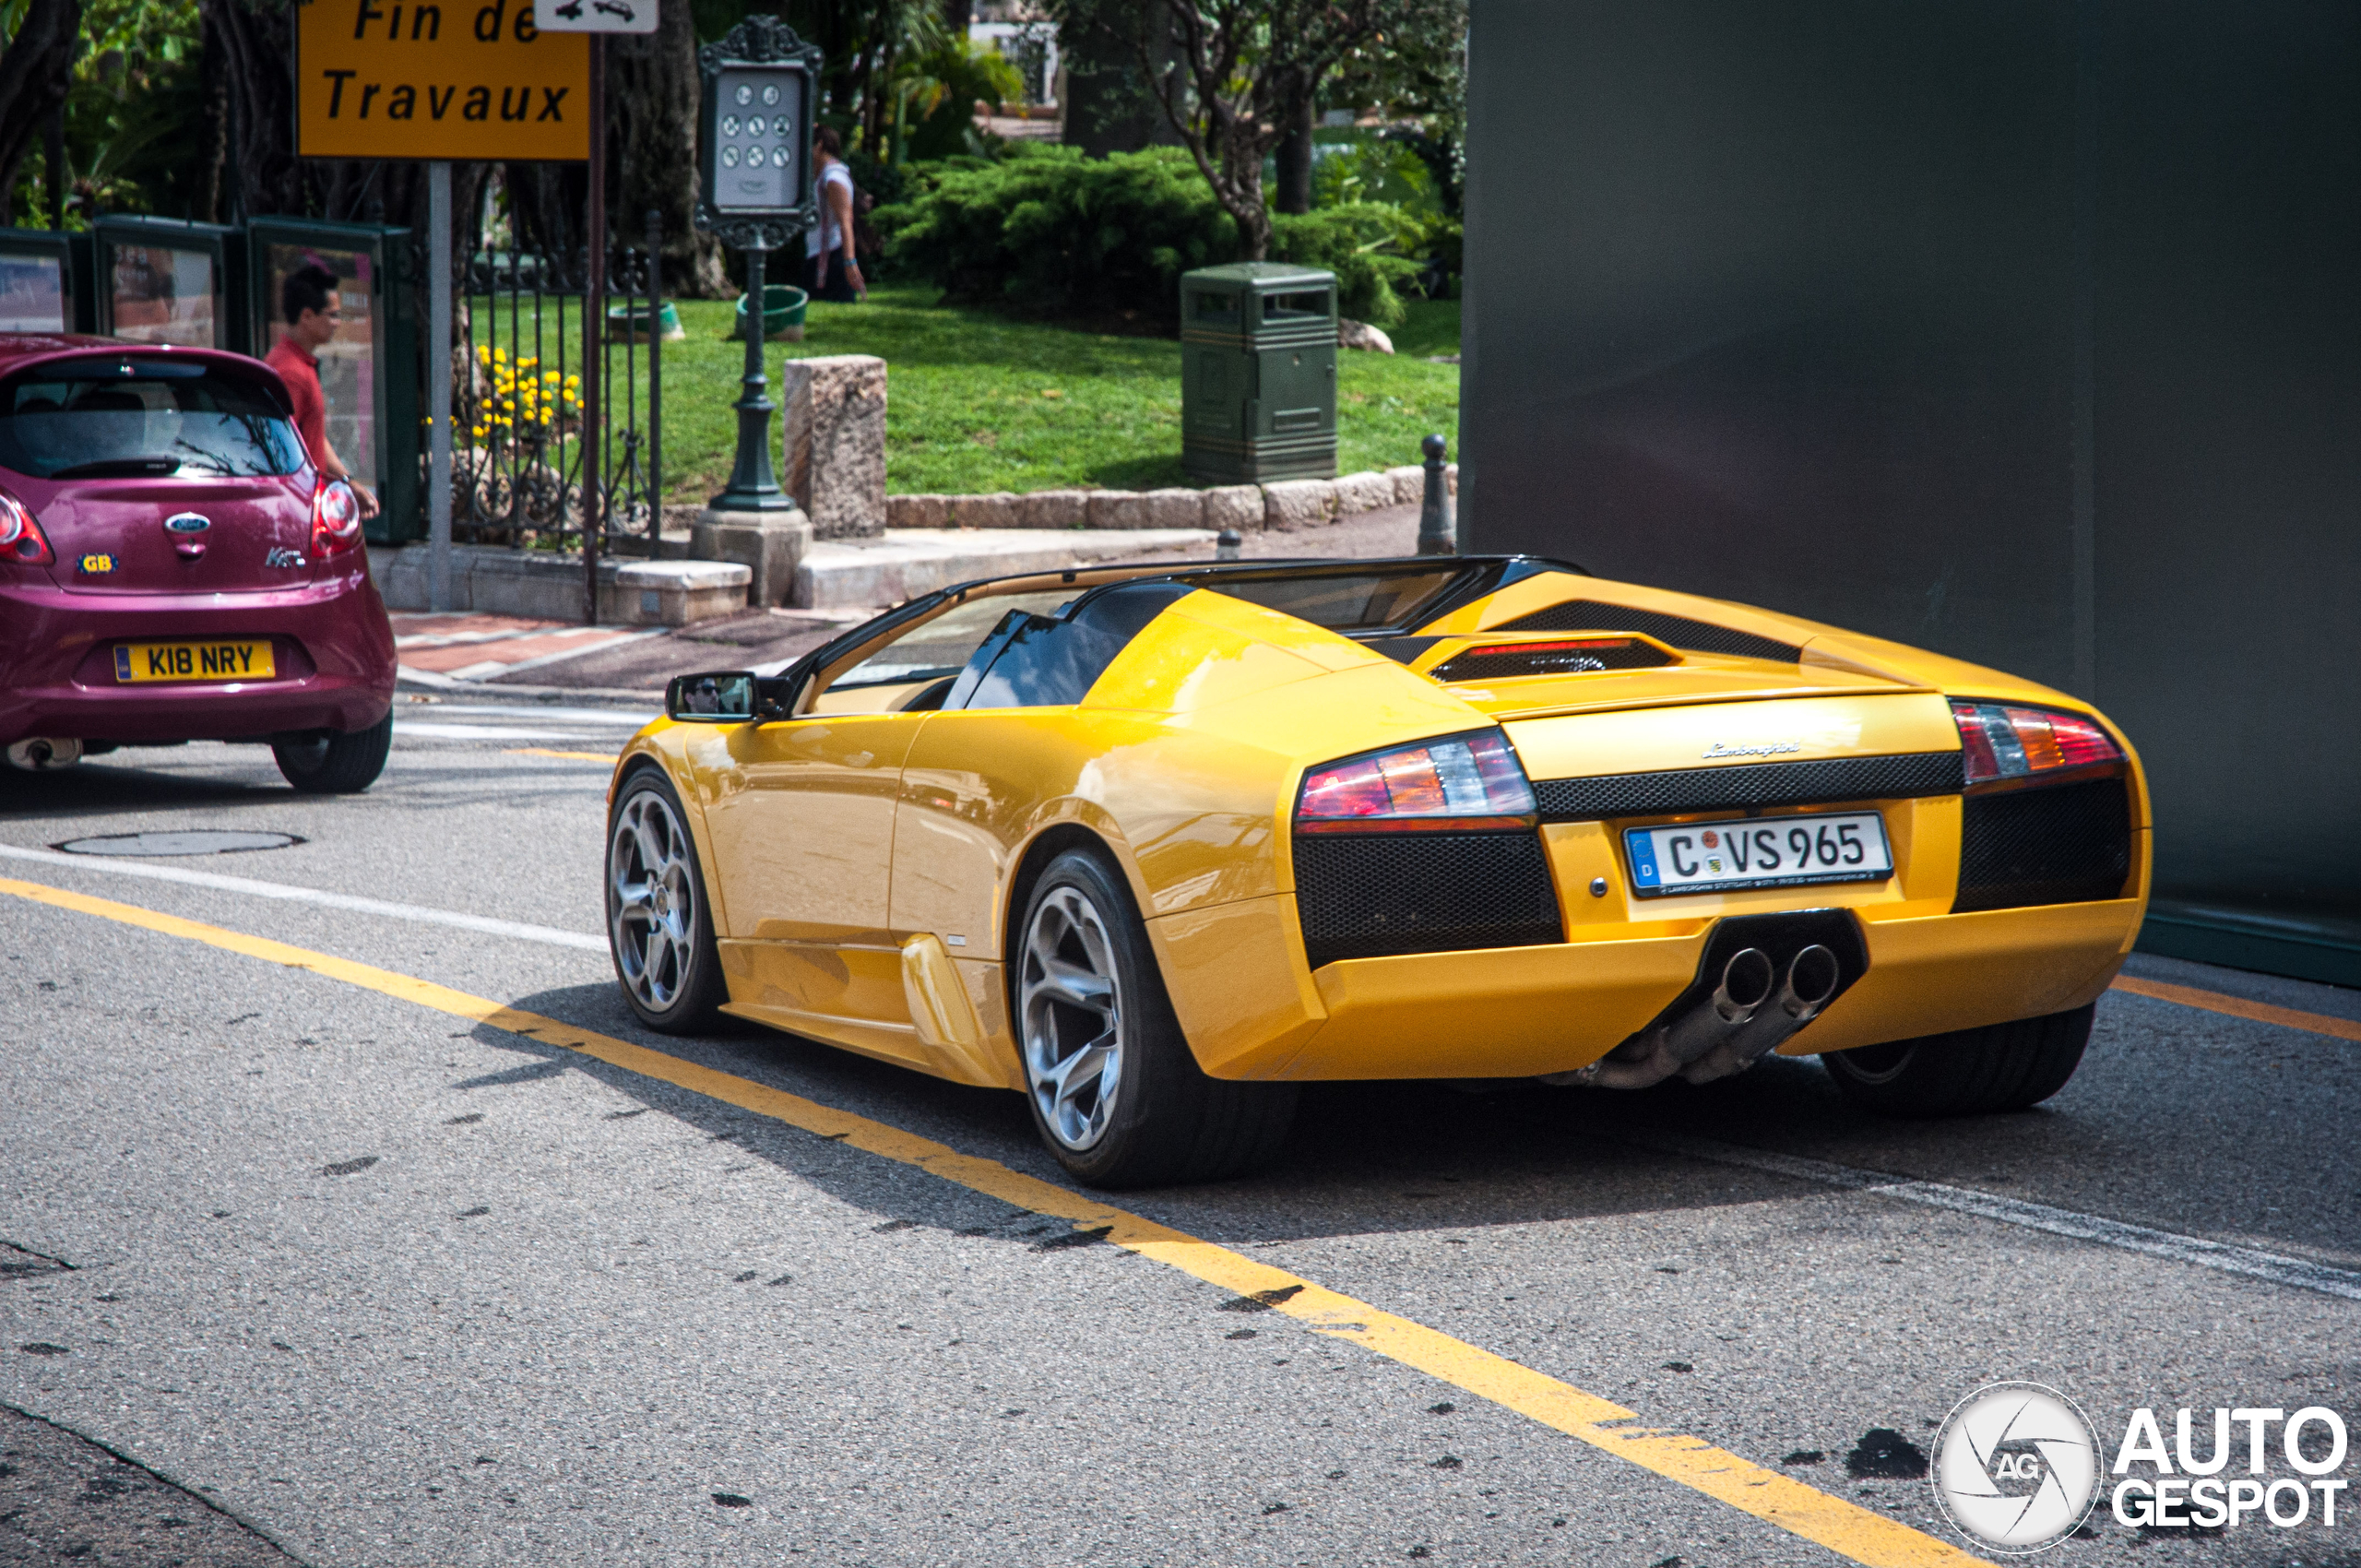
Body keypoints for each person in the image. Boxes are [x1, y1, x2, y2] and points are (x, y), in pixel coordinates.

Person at [263, 263, 379, 517]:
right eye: (332, 315)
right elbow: (278, 447)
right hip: (300, 508)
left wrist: (348, 483)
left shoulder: (294, 362)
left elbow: (311, 434)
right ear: (307, 316)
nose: (338, 323)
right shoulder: (291, 372)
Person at [803, 126, 864, 303]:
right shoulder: (821, 175)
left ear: (819, 145)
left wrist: (849, 262)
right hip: (817, 255)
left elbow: (846, 221)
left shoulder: (833, 177)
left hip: (833, 257)